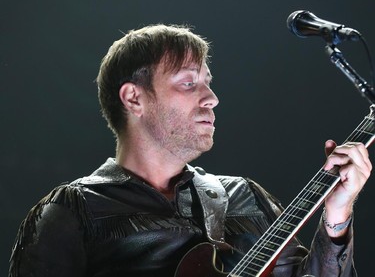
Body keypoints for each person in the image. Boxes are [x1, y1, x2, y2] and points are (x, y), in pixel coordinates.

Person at [8, 24, 372, 277]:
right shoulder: (72, 210)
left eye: (208, 84)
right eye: (188, 83)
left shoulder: (245, 196)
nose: (211, 99)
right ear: (134, 98)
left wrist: (337, 217)